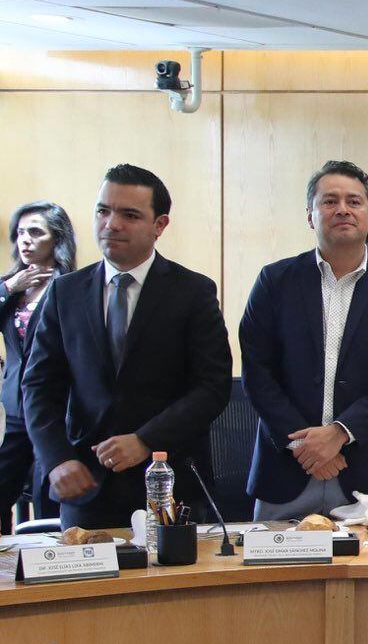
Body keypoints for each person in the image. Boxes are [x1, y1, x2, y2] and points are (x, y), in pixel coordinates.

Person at [22, 165, 231, 530]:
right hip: (87, 485)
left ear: (160, 225)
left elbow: (212, 388)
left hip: (170, 486)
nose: (111, 224)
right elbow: (39, 385)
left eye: (129, 215)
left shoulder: (193, 292)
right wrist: (55, 459)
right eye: (103, 210)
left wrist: (145, 441)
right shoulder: (65, 292)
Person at [238, 161, 368, 521]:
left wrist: (340, 433)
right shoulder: (274, 282)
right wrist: (303, 444)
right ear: (311, 216)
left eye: (354, 201)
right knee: (274, 574)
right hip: (286, 469)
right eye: (329, 201)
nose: (342, 209)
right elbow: (257, 372)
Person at [0, 201, 76, 532]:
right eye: (19, 233)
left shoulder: (71, 286)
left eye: (35, 232)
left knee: (49, 494)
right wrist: (8, 289)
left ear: (56, 239)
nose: (25, 241)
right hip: (13, 408)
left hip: (55, 409)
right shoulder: (8, 286)